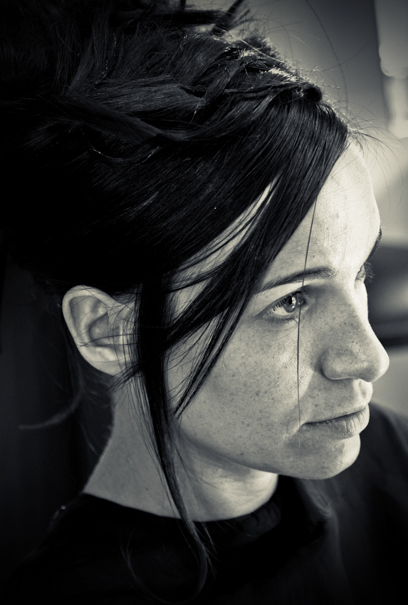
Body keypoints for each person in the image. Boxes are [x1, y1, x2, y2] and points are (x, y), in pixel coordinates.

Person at [2, 0, 408, 603]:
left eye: (360, 272)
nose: (369, 359)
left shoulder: (387, 452)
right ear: (109, 331)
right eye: (293, 300)